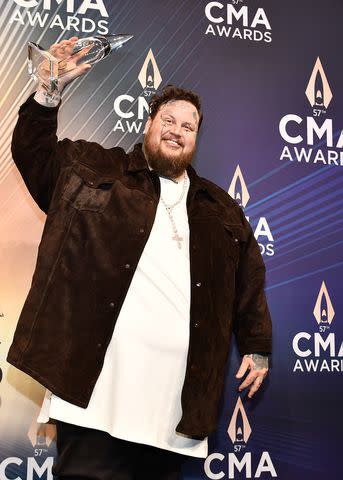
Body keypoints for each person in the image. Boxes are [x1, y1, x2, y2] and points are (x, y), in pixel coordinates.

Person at [7, 37, 272, 480]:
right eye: (168, 119)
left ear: (195, 139)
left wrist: (258, 346)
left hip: (172, 416)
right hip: (93, 401)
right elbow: (32, 153)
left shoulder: (220, 210)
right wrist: (48, 91)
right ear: (148, 124)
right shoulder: (93, 168)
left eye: (189, 126)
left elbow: (249, 280)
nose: (177, 130)